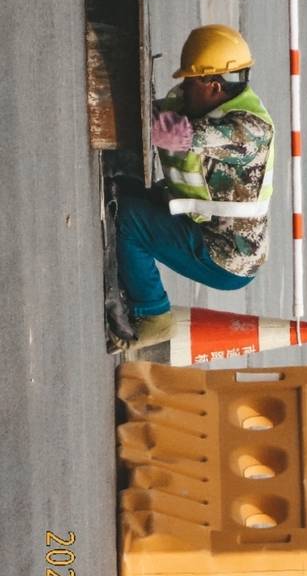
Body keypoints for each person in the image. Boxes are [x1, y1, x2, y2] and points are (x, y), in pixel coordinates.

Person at [109, 24, 274, 349]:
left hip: (226, 258)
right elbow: (157, 113)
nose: (183, 88)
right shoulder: (206, 103)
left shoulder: (248, 132)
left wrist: (120, 107)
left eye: (190, 81)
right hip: (201, 223)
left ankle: (153, 315)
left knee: (127, 218)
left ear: (213, 85)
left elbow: (173, 133)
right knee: (123, 190)